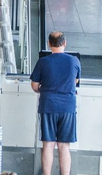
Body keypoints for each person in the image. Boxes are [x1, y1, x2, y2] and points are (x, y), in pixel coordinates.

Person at [30, 31, 81, 175]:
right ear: (64, 43)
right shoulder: (74, 61)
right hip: (68, 107)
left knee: (48, 144)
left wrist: (44, 89)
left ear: (49, 44)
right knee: (64, 146)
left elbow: (34, 85)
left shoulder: (43, 62)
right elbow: (75, 81)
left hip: (48, 105)